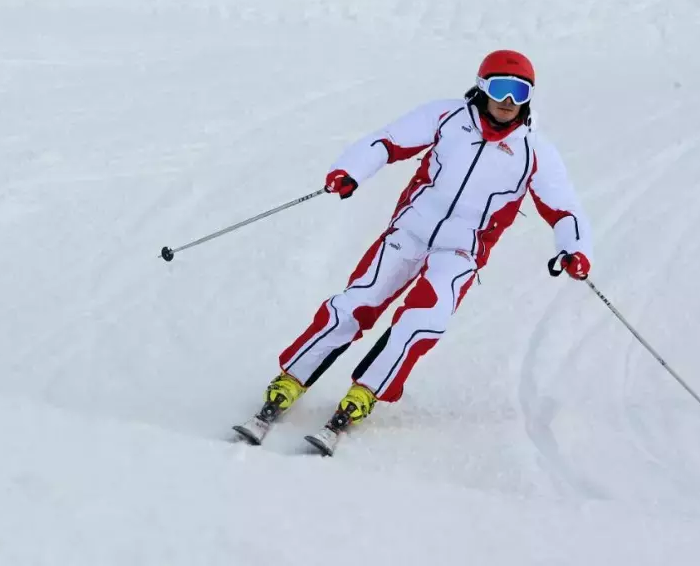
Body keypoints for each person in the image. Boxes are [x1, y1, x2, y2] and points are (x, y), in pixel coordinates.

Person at [236, 49, 593, 448]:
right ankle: (289, 381)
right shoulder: (446, 117)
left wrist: (574, 249)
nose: (508, 102)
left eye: (519, 92)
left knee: (425, 319)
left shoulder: (535, 151)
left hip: (460, 251)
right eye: (500, 88)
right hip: (410, 232)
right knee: (355, 304)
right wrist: (350, 172)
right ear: (481, 87)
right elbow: (386, 141)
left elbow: (565, 209)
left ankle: (363, 394)